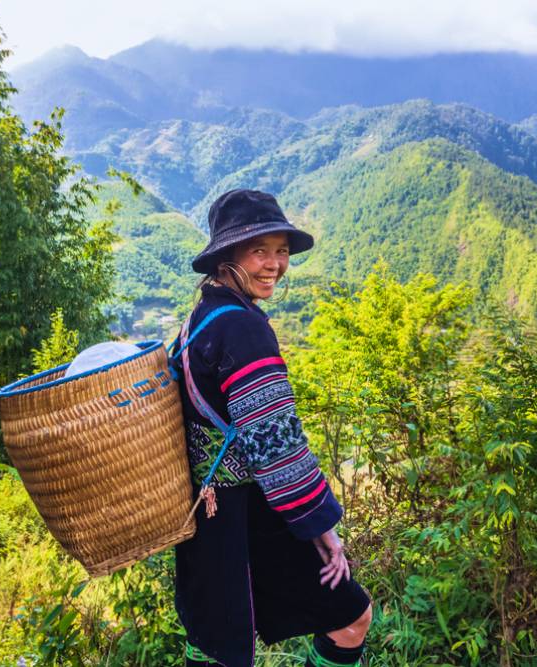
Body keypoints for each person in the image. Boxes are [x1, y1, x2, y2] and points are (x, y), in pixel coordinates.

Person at [172, 189, 372, 667]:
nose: (274, 264)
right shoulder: (243, 328)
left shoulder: (202, 317)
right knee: (349, 617)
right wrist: (322, 529)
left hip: (212, 514)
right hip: (239, 515)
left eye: (281, 250)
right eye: (259, 249)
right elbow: (276, 444)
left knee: (213, 641)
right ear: (227, 256)